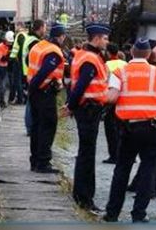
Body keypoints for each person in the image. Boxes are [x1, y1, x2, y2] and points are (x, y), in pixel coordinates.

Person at [102, 38, 156, 223]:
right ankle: (139, 214)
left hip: (128, 127)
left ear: (132, 52)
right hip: (151, 127)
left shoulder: (120, 72)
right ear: (149, 54)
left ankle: (112, 214)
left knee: (122, 169)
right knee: (148, 169)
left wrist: (101, 94)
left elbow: (112, 97)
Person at [60, 22, 110, 214]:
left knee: (85, 153)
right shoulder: (91, 59)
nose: (107, 41)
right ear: (96, 38)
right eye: (105, 38)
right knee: (87, 155)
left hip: (86, 109)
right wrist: (70, 106)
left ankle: (81, 195)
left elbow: (76, 86)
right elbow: (80, 86)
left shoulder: (84, 55)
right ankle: (85, 198)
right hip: (89, 109)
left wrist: (72, 105)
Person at [127, 44, 156, 196]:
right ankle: (146, 184)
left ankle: (154, 186)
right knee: (155, 153)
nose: (151, 55)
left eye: (154, 54)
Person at [27, 22, 67, 173]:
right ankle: (43, 162)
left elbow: (30, 64)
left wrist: (30, 89)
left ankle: (35, 161)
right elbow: (43, 72)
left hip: (36, 91)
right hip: (44, 92)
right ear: (61, 36)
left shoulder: (39, 46)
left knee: (37, 126)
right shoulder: (54, 52)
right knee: (48, 126)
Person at [102, 43, 127, 164]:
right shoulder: (125, 64)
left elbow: (105, 81)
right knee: (121, 128)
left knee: (110, 128)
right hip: (124, 99)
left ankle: (113, 155)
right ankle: (122, 153)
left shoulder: (107, 64)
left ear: (108, 53)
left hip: (112, 98)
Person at [22, 20, 48, 136]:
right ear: (41, 28)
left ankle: (30, 126)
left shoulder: (29, 39)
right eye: (45, 27)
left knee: (30, 101)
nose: (46, 30)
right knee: (31, 102)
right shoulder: (35, 42)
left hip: (27, 72)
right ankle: (31, 127)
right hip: (32, 74)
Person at [9, 23, 28, 104]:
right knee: (18, 81)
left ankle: (20, 99)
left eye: (17, 26)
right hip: (21, 62)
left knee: (17, 82)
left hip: (18, 62)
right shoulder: (24, 35)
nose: (16, 27)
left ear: (21, 27)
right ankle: (20, 98)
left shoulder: (20, 35)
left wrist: (17, 59)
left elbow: (21, 49)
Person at [0, 31, 14, 108]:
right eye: (9, 42)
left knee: (7, 85)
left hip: (7, 67)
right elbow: (0, 58)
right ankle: (2, 101)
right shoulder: (1, 46)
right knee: (2, 85)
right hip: (1, 67)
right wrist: (8, 55)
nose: (10, 43)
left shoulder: (10, 46)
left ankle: (4, 100)